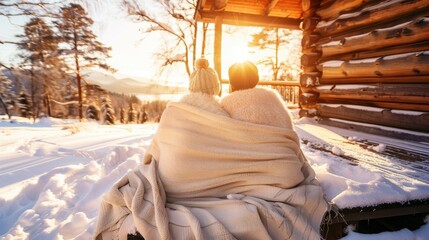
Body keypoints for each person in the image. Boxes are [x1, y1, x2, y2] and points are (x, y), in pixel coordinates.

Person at [94, 60, 329, 240]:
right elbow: (284, 144)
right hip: (286, 175)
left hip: (182, 186)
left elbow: (153, 155)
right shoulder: (273, 103)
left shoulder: (186, 113)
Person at [221, 60, 294, 129]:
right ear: (256, 79)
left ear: (231, 82)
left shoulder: (226, 103)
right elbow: (288, 125)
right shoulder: (272, 96)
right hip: (285, 141)